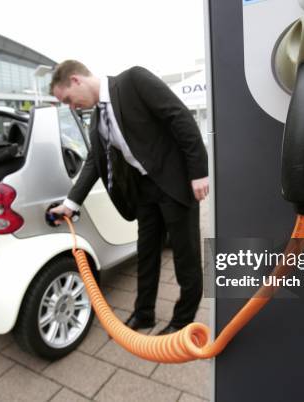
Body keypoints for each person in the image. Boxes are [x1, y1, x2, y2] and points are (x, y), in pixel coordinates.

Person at [49, 60, 208, 335]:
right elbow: (94, 162)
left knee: (186, 257)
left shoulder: (133, 81)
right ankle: (144, 313)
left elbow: (180, 117)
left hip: (174, 183)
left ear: (76, 81)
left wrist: (199, 172)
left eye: (67, 99)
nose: (70, 106)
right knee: (146, 255)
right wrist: (70, 203)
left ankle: (183, 321)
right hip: (144, 191)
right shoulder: (98, 118)